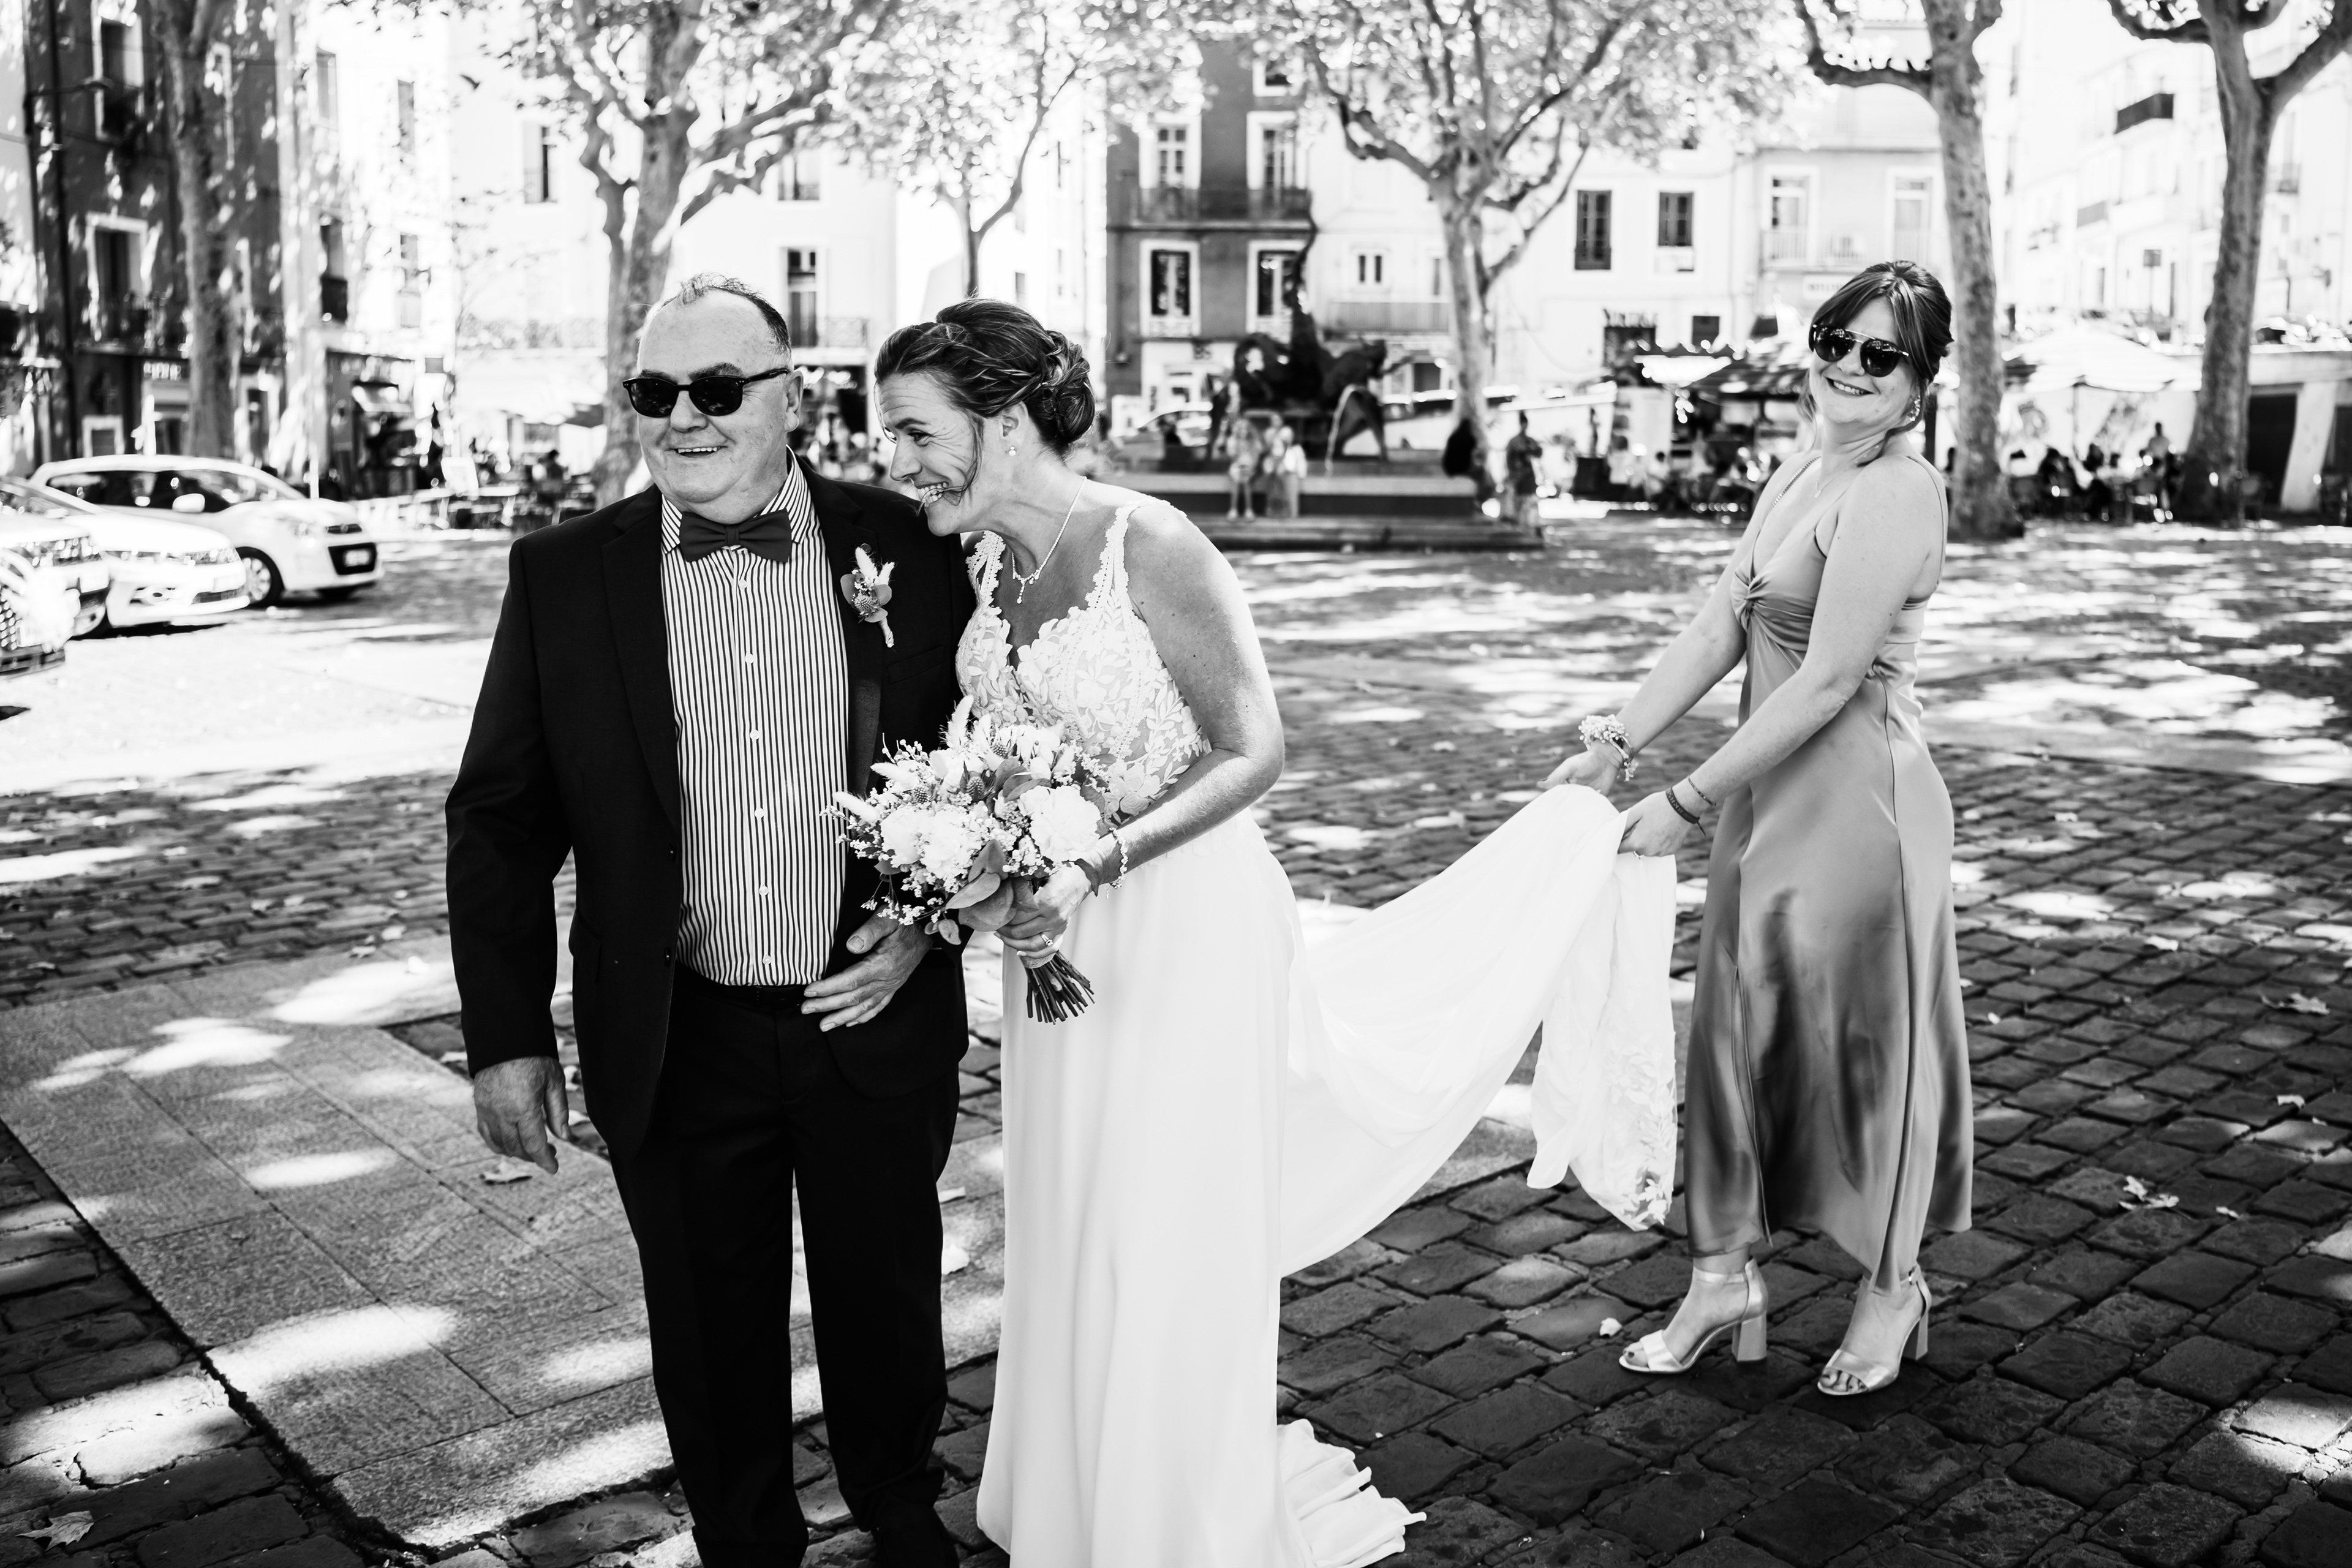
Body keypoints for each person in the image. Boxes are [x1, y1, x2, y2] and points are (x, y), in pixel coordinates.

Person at [876, 300, 1674, 1565]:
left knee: (1171, 1222)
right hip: (1057, 947)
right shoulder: (987, 567)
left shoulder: (1155, 542)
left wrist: (1097, 853)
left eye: (916, 432)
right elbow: (1012, 758)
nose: (896, 460)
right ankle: (1084, 1492)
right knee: (1079, 1209)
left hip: (1185, 925)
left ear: (1005, 418)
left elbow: (1257, 750)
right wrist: (986, 853)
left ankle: (1171, 1515)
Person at [447, 273, 976, 1567]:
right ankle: (747, 1543)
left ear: (794, 400)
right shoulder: (564, 574)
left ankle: (904, 1517)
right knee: (704, 1324)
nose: (682, 418)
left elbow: (996, 759)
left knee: (887, 1303)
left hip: (870, 1011)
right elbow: (501, 818)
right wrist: (506, 1037)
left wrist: (931, 916)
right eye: (654, 393)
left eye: (718, 390)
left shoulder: (911, 546)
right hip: (677, 1028)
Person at [1551, 260, 1971, 1396]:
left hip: (1859, 810)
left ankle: (1893, 1287)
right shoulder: (1804, 465)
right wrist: (1620, 742)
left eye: (1880, 353)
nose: (1846, 362)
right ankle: (1723, 1274)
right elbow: (1718, 627)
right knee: (1732, 1038)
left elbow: (1831, 680)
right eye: (1837, 335)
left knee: (1855, 1050)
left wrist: (1685, 802)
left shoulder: (1897, 489)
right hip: (1766, 795)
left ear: (1922, 380)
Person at [1504, 412, 1545, 530]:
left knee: (1530, 499)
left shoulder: (1531, 441)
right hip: (1519, 475)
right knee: (1519, 499)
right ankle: (1519, 523)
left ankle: (1530, 523)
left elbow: (1539, 453)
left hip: (1529, 475)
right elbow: (1510, 459)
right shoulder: (1515, 442)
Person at [1224, 410, 1265, 521]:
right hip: (1236, 467)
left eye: (1246, 429)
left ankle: (1248, 510)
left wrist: (1251, 468)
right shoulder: (1233, 441)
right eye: (1241, 429)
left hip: (1250, 468)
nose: (1244, 431)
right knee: (1237, 480)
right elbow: (1232, 457)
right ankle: (1234, 510)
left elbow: (1257, 458)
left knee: (1246, 482)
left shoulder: (1254, 442)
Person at [1276, 420, 1308, 519]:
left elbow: (1301, 463)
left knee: (1292, 497)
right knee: (1282, 497)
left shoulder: (1296, 449)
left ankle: (1293, 516)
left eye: (1288, 437)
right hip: (1280, 475)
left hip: (1292, 475)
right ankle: (1282, 515)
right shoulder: (1278, 450)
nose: (1286, 440)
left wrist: (1302, 474)